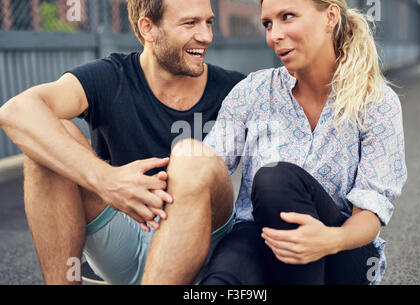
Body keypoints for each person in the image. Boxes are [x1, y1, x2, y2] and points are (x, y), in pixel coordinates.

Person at [0, 0, 245, 285]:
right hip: (124, 238)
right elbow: (15, 111)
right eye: (190, 23)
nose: (206, 36)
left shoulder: (235, 91)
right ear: (148, 28)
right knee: (49, 141)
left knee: (191, 157)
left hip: (204, 246)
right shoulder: (111, 76)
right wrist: (105, 179)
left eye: (209, 22)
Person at [199, 0, 407, 285]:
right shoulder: (253, 91)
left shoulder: (377, 102)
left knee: (275, 178)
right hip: (260, 237)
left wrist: (329, 239)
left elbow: (371, 212)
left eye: (287, 17)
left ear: (330, 16)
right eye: (268, 24)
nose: (274, 35)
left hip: (340, 248)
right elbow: (207, 166)